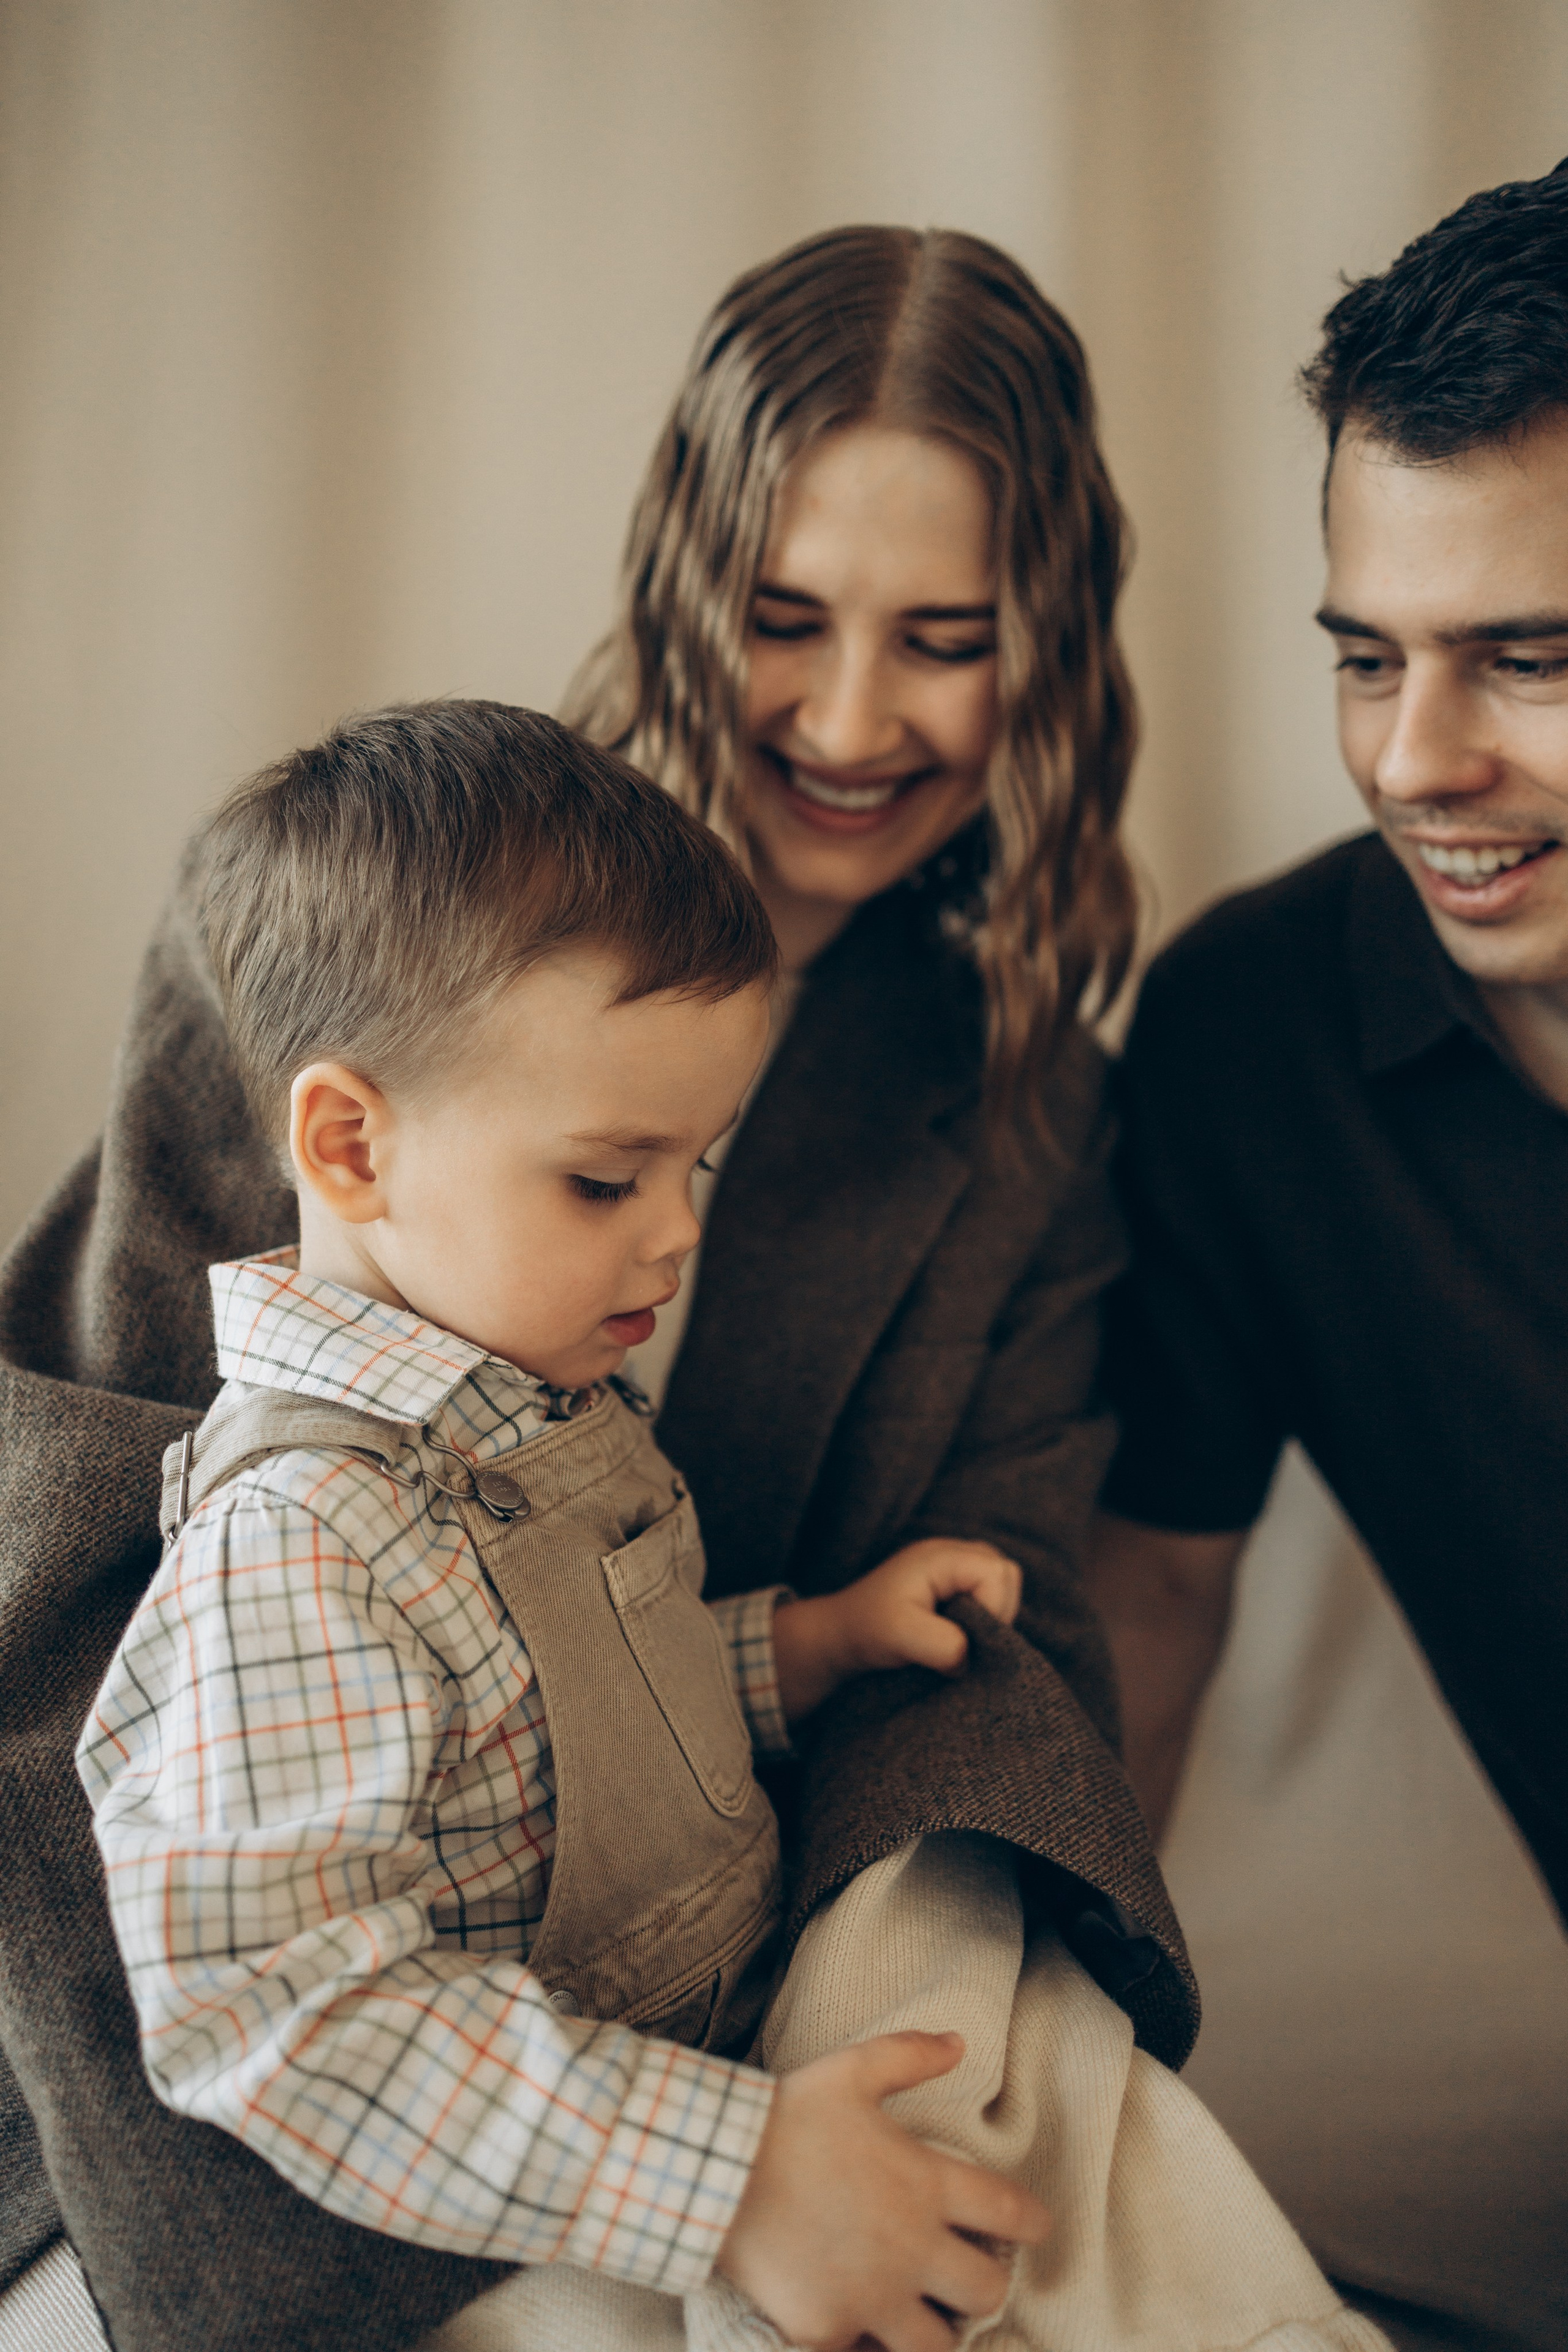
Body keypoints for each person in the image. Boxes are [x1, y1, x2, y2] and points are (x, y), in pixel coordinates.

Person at [0, 228, 1194, 2351]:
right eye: (784, 619)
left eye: (943, 638)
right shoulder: (382, 905)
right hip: (252, 1960)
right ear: (681, 584)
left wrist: (892, 1978)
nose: (850, 715)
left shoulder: (1025, 1111)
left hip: (731, 1888)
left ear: (1052, 655)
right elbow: (92, 1526)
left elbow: (998, 1615)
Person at [76, 700, 1044, 2351]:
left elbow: (555, 1722)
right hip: (538, 2184)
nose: (673, 1238)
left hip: (718, 2016)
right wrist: (735, 2180)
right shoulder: (305, 1540)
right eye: (608, 1180)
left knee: (1025, 2039)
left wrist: (799, 1648)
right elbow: (284, 2011)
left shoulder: (522, 1396)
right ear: (349, 1144)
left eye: (698, 1169)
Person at [1086, 160, 1568, 2350]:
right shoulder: (1249, 1041)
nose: (1416, 758)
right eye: (1370, 656)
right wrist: (1064, 2079)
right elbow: (1156, 1592)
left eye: (1530, 660)